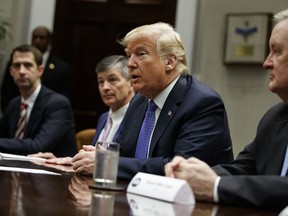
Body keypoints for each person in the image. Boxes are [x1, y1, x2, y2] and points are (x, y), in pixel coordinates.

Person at [72, 22, 233, 180]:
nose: (130, 63)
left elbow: (180, 169)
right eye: (129, 55)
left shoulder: (202, 103)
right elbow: (123, 155)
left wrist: (105, 164)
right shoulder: (139, 101)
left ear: (169, 62)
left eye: (141, 54)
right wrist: (80, 161)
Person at [164, 9, 288, 212]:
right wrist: (192, 174)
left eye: (277, 51)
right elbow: (243, 169)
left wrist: (215, 186)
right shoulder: (275, 117)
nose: (266, 63)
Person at [29, 55, 134, 164]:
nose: (105, 87)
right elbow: (93, 161)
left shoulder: (137, 119)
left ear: (131, 83)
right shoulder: (104, 118)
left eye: (113, 80)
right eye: (100, 82)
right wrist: (68, 161)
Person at [0, 44, 76, 157]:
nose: (21, 71)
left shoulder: (58, 104)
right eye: (17, 65)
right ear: (11, 71)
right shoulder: (14, 104)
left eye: (28, 65)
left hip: (53, 172)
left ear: (40, 70)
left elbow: (38, 147)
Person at [1, 26, 72, 113]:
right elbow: (6, 91)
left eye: (42, 38)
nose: (37, 41)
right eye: (35, 37)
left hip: (48, 112)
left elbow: (64, 94)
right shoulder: (15, 63)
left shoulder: (61, 67)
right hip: (18, 112)